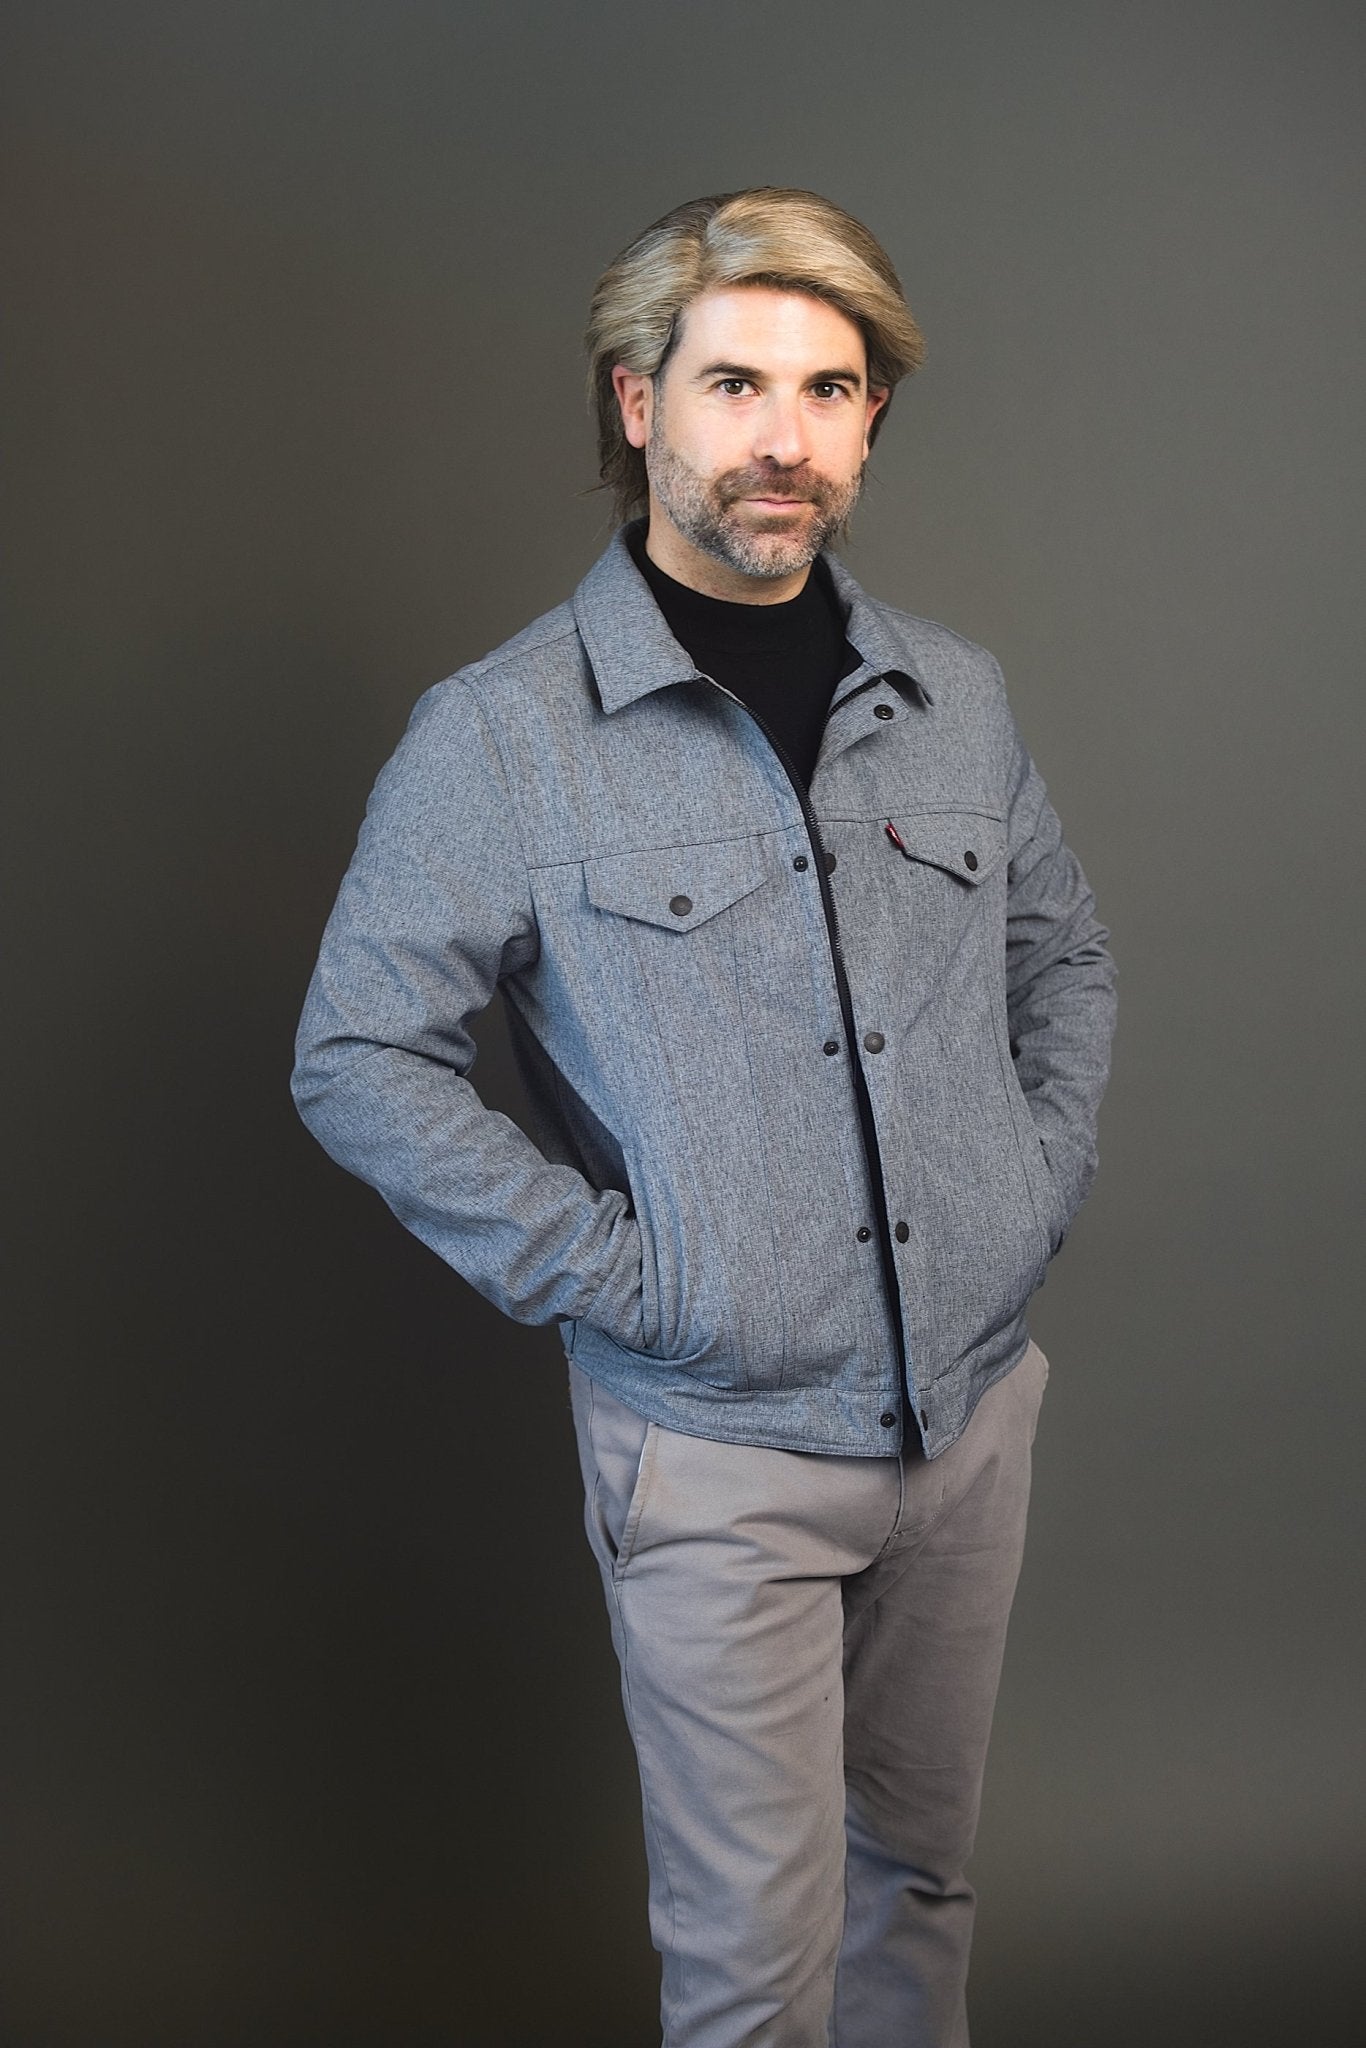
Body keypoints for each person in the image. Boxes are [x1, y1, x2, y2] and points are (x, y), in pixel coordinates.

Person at [292, 186, 1116, 2048]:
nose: (783, 439)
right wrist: (629, 1281)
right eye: (735, 382)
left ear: (869, 421)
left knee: (922, 1894)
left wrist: (1023, 1187)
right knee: (752, 1977)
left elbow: (1062, 960)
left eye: (828, 391)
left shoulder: (956, 699)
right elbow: (357, 1051)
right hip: (719, 1450)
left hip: (967, 1424)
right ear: (637, 400)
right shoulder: (502, 736)